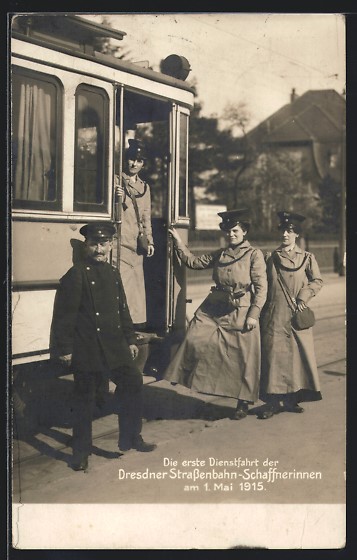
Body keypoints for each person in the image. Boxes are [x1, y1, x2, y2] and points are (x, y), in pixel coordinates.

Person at [50, 221, 156, 472]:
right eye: (94, 244)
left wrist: (130, 339)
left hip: (115, 346)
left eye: (104, 243)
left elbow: (123, 311)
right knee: (84, 400)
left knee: (133, 382)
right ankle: (80, 452)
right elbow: (64, 316)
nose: (99, 249)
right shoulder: (76, 275)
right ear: (86, 245)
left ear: (110, 245)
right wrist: (65, 348)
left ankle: (131, 437)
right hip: (88, 348)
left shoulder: (112, 272)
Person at [164, 209, 267, 419]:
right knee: (194, 337)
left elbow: (262, 288)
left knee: (242, 358)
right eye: (228, 231)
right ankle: (186, 375)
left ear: (244, 232)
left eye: (236, 230)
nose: (231, 234)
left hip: (241, 310)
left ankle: (242, 402)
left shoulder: (254, 254)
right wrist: (177, 242)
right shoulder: (220, 254)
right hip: (214, 308)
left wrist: (253, 315)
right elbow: (193, 262)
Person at [258, 211, 323, 419]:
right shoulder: (270, 257)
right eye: (283, 230)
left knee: (296, 358)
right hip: (274, 315)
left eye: (290, 231)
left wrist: (304, 296)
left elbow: (317, 281)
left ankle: (291, 400)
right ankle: (272, 402)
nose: (285, 234)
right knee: (273, 358)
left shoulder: (307, 258)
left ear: (297, 235)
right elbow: (260, 285)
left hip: (296, 315)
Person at [115, 139, 154, 329]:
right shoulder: (115, 181)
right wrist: (117, 199)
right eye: (132, 159)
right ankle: (122, 325)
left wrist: (150, 240)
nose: (134, 164)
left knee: (136, 287)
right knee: (122, 285)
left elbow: (146, 217)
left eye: (139, 161)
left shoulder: (145, 188)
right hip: (119, 243)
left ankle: (134, 326)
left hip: (136, 245)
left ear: (143, 164)